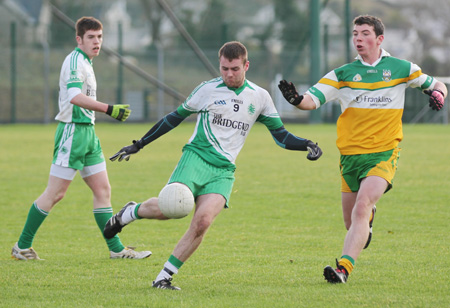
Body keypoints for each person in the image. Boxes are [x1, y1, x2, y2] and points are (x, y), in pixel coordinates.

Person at [103, 41, 323, 290]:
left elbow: (281, 136)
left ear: (246, 66)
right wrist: (139, 144)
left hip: (224, 170)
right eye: (224, 68)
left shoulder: (260, 97)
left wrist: (306, 144)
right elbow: (173, 119)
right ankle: (130, 213)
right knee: (172, 208)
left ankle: (163, 277)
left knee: (203, 221)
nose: (229, 74)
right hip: (196, 157)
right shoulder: (207, 90)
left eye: (235, 69)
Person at [278, 15, 447, 283]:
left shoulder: (402, 68)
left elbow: (437, 84)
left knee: (361, 208)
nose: (358, 38)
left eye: (365, 33)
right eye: (355, 33)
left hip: (383, 153)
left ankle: (343, 269)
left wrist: (438, 94)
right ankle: (368, 220)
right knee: (353, 224)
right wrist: (297, 100)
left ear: (379, 39)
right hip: (350, 158)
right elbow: (312, 100)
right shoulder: (343, 74)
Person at [11, 16, 151, 260]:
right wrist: (110, 108)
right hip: (73, 132)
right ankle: (21, 247)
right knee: (55, 193)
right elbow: (74, 96)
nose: (97, 42)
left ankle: (116, 249)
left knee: (102, 190)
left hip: (88, 132)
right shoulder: (75, 60)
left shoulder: (87, 62)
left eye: (99, 37)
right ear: (79, 39)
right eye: (91, 37)